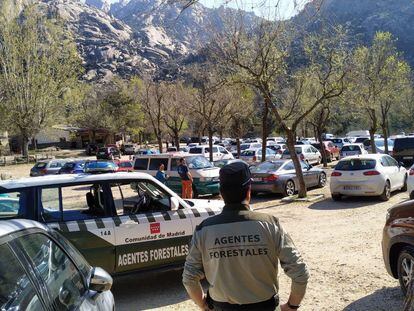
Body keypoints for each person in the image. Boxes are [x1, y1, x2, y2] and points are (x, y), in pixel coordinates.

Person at [182, 161, 309, 311]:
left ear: (221, 193)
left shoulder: (204, 230)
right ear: (249, 191)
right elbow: (300, 273)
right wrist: (291, 306)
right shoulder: (270, 224)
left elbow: (189, 278)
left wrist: (203, 305)